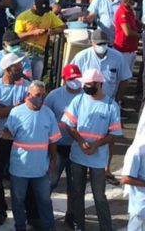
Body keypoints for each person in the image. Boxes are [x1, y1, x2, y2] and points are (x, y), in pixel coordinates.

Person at [62, 69, 122, 231]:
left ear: (98, 84)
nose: (85, 87)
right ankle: (78, 225)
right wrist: (81, 142)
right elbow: (68, 125)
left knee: (99, 196)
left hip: (98, 158)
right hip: (78, 155)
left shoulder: (111, 105)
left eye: (88, 84)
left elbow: (114, 134)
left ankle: (106, 227)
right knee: (77, 193)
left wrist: (96, 145)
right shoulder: (79, 100)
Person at [1, 81, 60, 231]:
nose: (41, 98)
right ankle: (20, 227)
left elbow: (52, 139)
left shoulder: (48, 113)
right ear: (28, 95)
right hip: (20, 168)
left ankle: (49, 227)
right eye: (38, 95)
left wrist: (53, 159)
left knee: (45, 200)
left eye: (43, 95)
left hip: (41, 168)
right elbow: (8, 134)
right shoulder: (16, 113)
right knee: (18, 200)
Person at [0, 53, 30, 225]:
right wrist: (16, 108)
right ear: (7, 70)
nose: (21, 72)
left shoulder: (26, 85)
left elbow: (28, 108)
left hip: (20, 137)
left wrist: (5, 109)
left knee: (22, 173)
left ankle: (28, 210)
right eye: (17, 70)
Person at [45, 63, 83, 228]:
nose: (74, 81)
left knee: (74, 186)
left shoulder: (85, 96)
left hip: (76, 147)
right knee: (50, 182)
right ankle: (43, 213)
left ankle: (71, 215)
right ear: (64, 79)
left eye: (77, 78)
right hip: (57, 147)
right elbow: (45, 118)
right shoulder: (54, 96)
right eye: (71, 79)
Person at [71, 29, 132, 105]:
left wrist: (116, 100)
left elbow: (125, 79)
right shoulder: (81, 57)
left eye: (104, 43)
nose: (101, 46)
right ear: (92, 43)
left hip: (109, 101)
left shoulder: (118, 57)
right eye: (99, 44)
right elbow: (72, 78)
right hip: (85, 101)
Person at [14, 0, 65, 80]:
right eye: (40, 10)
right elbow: (17, 36)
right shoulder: (23, 17)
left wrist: (53, 31)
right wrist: (32, 33)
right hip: (25, 51)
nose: (42, 13)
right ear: (34, 5)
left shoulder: (49, 15)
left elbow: (62, 27)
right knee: (24, 77)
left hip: (40, 52)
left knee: (36, 78)